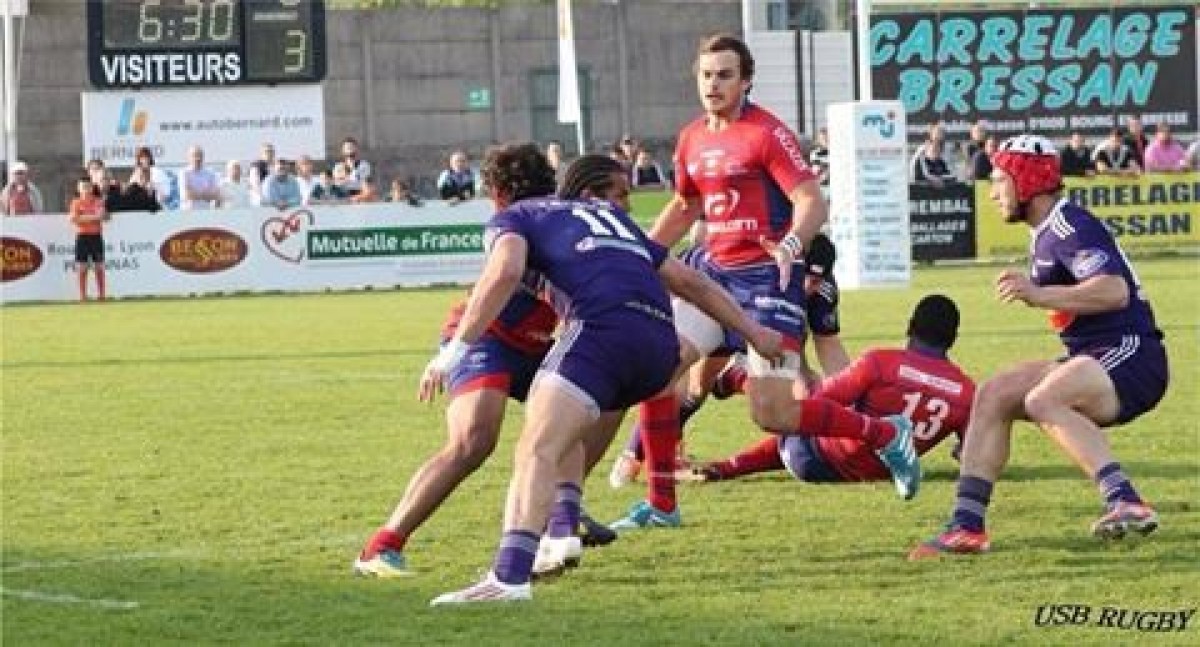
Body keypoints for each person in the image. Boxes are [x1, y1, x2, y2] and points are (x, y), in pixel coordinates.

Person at [424, 142, 783, 605]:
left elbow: (505, 271)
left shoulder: (515, 217)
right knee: (564, 427)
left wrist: (454, 351)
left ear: (497, 194)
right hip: (659, 349)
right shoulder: (613, 219)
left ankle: (508, 578)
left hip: (601, 333)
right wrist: (754, 332)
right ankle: (562, 534)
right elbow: (689, 281)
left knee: (537, 447)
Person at [608, 33, 903, 531]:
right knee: (658, 368)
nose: (714, 84)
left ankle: (886, 435)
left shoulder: (767, 133)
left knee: (773, 414)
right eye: (706, 75)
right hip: (712, 275)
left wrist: (790, 244)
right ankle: (662, 504)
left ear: (745, 81)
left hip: (767, 279)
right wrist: (637, 256)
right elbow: (685, 206)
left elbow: (811, 202)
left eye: (725, 75)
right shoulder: (691, 138)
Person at [353, 153, 632, 580]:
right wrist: (454, 352)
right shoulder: (532, 225)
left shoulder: (551, 221)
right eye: (620, 195)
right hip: (488, 339)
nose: (624, 205)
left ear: (496, 194)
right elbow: (503, 278)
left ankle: (560, 517)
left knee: (572, 418)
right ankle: (381, 546)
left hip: (536, 343)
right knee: (473, 443)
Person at [910, 135, 1169, 559]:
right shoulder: (1045, 232)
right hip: (1094, 355)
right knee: (994, 394)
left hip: (1131, 354)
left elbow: (1114, 291)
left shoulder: (1068, 226)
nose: (992, 191)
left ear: (1026, 179)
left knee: (1043, 399)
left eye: (999, 179)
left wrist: (1038, 294)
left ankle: (1125, 501)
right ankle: (966, 526)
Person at [610, 232, 852, 487]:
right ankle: (632, 454)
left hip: (753, 319)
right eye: (805, 277)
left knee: (792, 391)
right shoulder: (753, 266)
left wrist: (850, 396)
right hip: (706, 298)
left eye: (817, 280)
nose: (809, 286)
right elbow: (683, 282)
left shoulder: (822, 292)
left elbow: (828, 346)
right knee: (680, 380)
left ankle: (731, 378)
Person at [696, 295, 974, 486]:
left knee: (800, 405)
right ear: (953, 339)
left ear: (910, 326)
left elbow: (817, 402)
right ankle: (729, 460)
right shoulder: (967, 392)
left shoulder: (881, 362)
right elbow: (971, 454)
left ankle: (739, 379)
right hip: (878, 474)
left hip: (810, 460)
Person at [68, 174, 109, 301]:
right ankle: (82, 296)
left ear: (92, 187)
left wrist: (83, 217)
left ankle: (102, 295)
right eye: (83, 187)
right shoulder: (75, 202)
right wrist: (94, 217)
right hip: (82, 237)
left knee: (99, 267)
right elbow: (73, 219)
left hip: (96, 237)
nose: (86, 189)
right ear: (79, 188)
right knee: (82, 267)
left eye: (88, 187)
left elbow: (102, 216)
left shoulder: (98, 201)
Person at [180, 145, 222, 210]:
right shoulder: (184, 173)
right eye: (195, 156)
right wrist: (206, 196)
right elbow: (188, 195)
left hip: (206, 211)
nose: (198, 158)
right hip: (188, 211)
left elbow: (216, 195)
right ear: (189, 158)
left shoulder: (210, 173)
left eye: (200, 156)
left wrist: (197, 194)